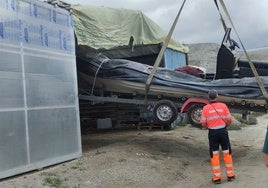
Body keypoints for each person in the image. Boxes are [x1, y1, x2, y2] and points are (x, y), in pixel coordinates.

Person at [200, 89, 235, 184]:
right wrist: (225, 126)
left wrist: (209, 128)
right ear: (217, 96)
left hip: (212, 133)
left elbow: (203, 123)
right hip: (223, 132)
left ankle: (217, 178)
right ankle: (230, 175)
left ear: (208, 98)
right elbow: (229, 120)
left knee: (214, 155)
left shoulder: (205, 108)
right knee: (227, 153)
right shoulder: (223, 106)